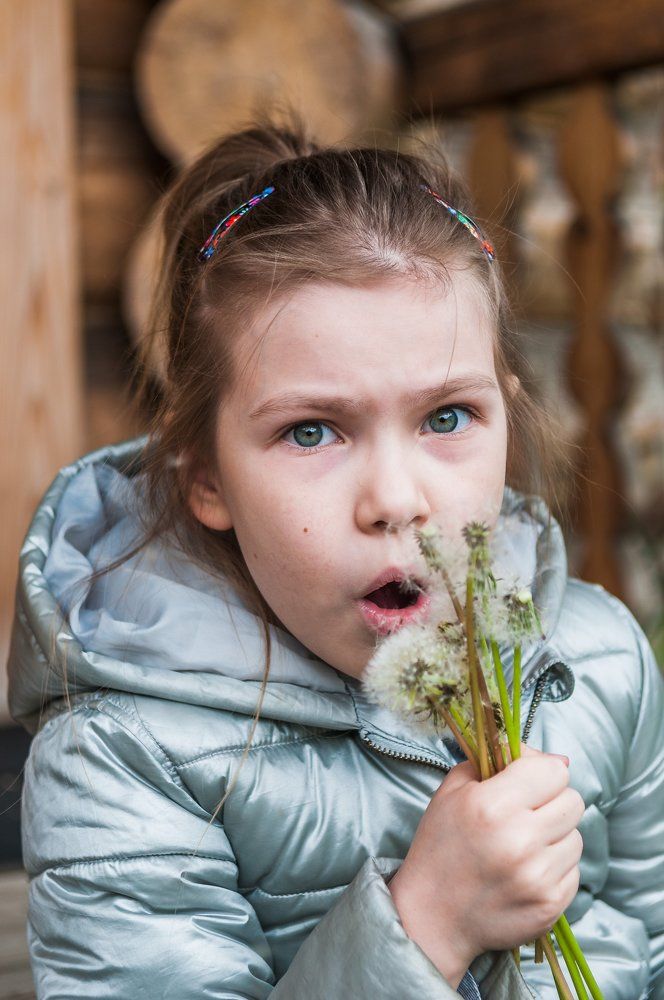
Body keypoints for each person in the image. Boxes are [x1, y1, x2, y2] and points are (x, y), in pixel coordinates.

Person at [8, 116, 663, 1000]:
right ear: (205, 475)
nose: (395, 499)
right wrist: (426, 923)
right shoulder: (125, 758)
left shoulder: (599, 663)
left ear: (508, 415)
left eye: (446, 418)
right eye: (311, 431)